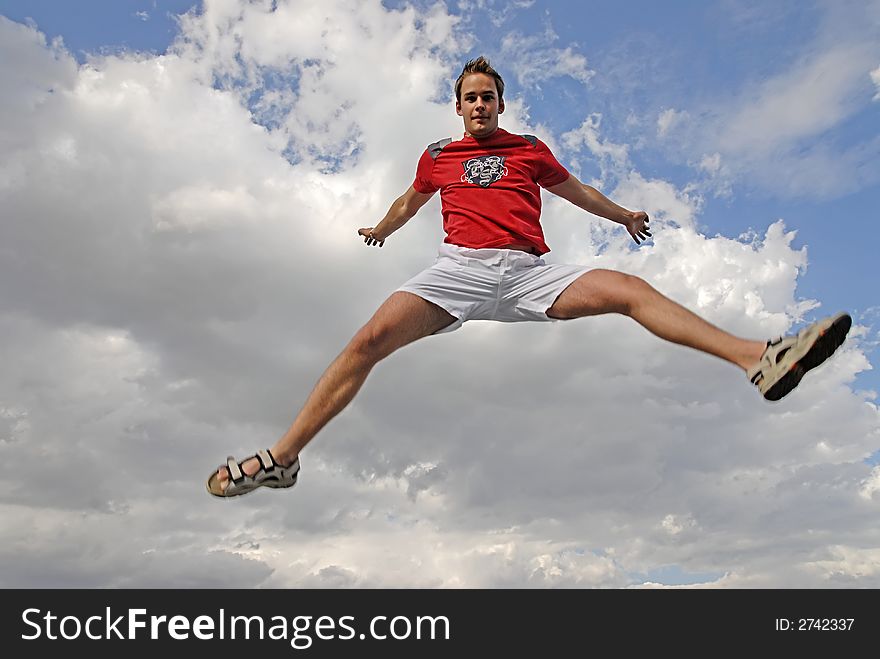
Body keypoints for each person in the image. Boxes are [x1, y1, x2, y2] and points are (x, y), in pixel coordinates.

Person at [207, 56, 851, 498]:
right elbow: (411, 199)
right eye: (470, 98)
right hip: (457, 270)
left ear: (500, 104)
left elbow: (577, 190)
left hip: (527, 273)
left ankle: (760, 359)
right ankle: (280, 460)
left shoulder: (529, 150)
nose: (479, 105)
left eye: (488, 97)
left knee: (628, 291)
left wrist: (624, 213)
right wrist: (382, 227)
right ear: (457, 107)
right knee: (366, 343)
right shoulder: (437, 157)